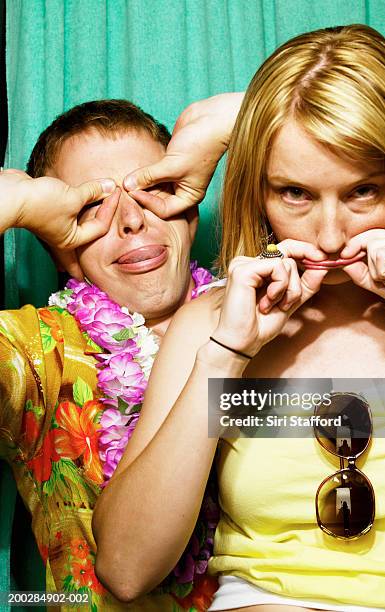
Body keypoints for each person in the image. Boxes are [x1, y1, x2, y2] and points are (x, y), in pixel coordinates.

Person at [93, 25, 385, 612]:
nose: (331, 232)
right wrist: (225, 357)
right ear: (256, 192)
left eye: (363, 190)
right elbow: (126, 569)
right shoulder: (212, 325)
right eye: (294, 192)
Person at [0, 98, 223, 611]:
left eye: (154, 189)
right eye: (92, 205)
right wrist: (14, 204)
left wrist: (243, 118)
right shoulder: (36, 354)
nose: (131, 221)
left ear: (189, 208)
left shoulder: (270, 319)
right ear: (56, 239)